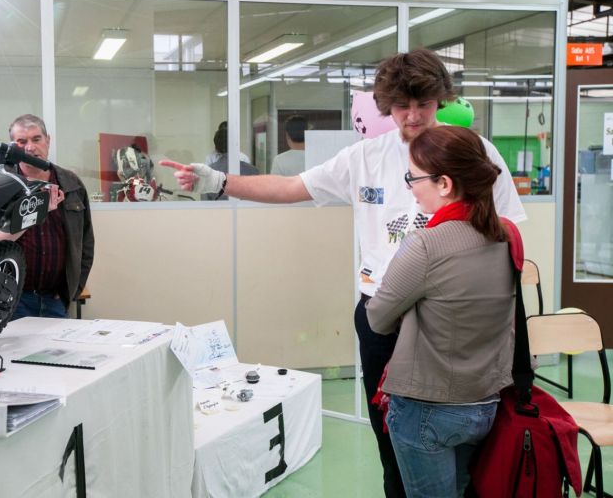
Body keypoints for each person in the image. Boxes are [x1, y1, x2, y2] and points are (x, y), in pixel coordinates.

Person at [161, 48, 525, 497]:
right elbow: (292, 187)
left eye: (424, 104)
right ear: (386, 104)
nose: (413, 116)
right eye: (401, 106)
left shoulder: (473, 152)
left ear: (440, 100)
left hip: (456, 315)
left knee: (467, 444)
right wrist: (217, 182)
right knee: (391, 438)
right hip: (382, 312)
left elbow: (509, 231)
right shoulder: (365, 157)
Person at [366, 125, 516, 497]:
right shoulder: (506, 235)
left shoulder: (426, 245)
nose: (410, 188)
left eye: (413, 178)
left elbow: (378, 317)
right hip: (484, 403)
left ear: (444, 184)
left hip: (427, 409)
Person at [0, 114, 94, 320]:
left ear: (48, 140)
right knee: (11, 353)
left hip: (54, 300)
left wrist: (73, 288)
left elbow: (85, 242)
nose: (30, 147)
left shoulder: (70, 183)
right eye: (21, 142)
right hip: (8, 298)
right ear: (12, 146)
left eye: (36, 139)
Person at [203, 127, 259, 200]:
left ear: (216, 148)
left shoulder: (207, 173)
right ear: (236, 145)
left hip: (218, 211)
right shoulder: (253, 171)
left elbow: (205, 205)